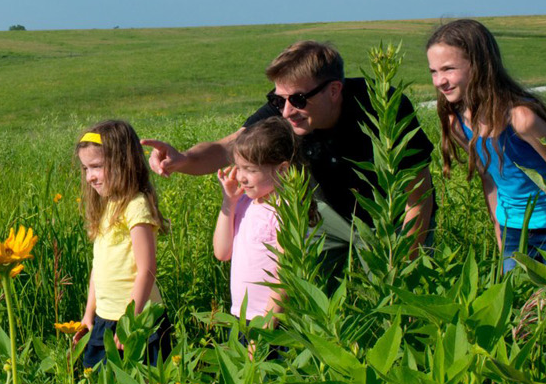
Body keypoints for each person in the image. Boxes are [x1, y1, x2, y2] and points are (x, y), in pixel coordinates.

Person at [142, 41, 436, 288]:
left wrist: (403, 266)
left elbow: (417, 195)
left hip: (389, 216)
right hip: (329, 214)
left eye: (297, 98)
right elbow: (227, 148)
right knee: (311, 293)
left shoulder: (382, 105)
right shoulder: (283, 111)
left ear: (334, 90)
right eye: (277, 98)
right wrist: (183, 159)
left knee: (396, 303)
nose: (286, 110)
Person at [426, 19, 546, 271]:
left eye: (448, 69)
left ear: (478, 65)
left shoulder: (521, 119)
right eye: (434, 71)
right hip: (511, 231)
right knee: (519, 308)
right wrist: (499, 230)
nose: (439, 81)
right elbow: (489, 179)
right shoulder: (456, 122)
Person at [72, 119, 171, 368]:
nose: (90, 177)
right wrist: (88, 313)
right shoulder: (108, 207)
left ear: (122, 163)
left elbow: (146, 269)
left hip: (139, 319)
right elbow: (99, 267)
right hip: (105, 318)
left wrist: (131, 321)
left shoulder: (136, 206)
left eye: (96, 166)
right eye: (85, 168)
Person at [213, 117, 295, 324]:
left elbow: (285, 272)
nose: (241, 177)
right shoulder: (243, 202)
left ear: (282, 170)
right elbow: (222, 253)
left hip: (273, 320)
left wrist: (267, 324)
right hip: (243, 316)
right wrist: (228, 202)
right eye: (239, 168)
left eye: (251, 170)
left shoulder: (285, 210)